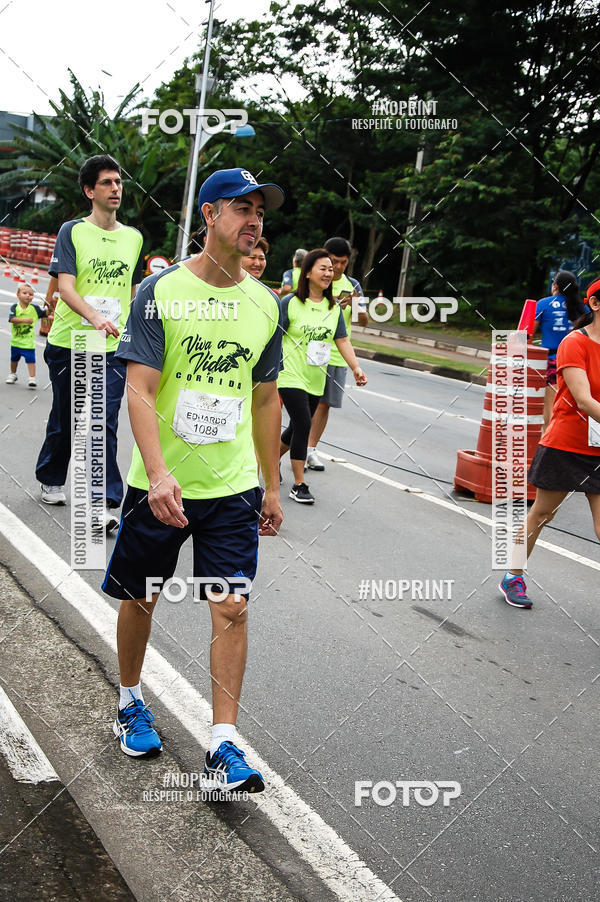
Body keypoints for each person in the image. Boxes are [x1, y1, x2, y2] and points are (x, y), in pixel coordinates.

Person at [103, 167, 284, 794]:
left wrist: (272, 483)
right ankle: (129, 699)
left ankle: (224, 745)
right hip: (160, 485)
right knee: (142, 596)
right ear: (208, 214)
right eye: (241, 207)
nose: (254, 219)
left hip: (231, 489)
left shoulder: (265, 305)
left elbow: (266, 399)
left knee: (231, 606)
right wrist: (156, 473)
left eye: (260, 209)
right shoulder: (159, 294)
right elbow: (141, 388)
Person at [34, 155, 143, 532]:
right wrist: (95, 317)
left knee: (101, 419)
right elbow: (64, 288)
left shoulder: (133, 237)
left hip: (112, 347)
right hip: (71, 340)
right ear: (89, 190)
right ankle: (50, 474)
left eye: (118, 182)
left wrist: (134, 332)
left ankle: (102, 504)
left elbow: (131, 291)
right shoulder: (72, 231)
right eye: (107, 183)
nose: (116, 188)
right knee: (67, 418)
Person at [499, 278, 600, 608]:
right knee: (542, 514)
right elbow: (583, 400)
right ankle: (513, 575)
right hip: (567, 445)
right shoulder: (576, 343)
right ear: (595, 305)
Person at [278, 248, 367, 503]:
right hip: (290, 375)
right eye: (323, 268)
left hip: (316, 376)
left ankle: (273, 457)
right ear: (307, 273)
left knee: (296, 426)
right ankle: (299, 484)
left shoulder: (333, 308)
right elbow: (275, 337)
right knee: (304, 424)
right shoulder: (290, 303)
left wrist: (356, 367)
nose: (329, 273)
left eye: (331, 269)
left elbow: (342, 339)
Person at [306, 236, 369, 470]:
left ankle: (310, 449)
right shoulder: (319, 279)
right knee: (305, 403)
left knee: (325, 404)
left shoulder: (353, 285)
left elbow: (363, 321)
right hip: (310, 350)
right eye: (334, 261)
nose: (339, 267)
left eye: (343, 262)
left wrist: (356, 304)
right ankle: (295, 446)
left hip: (336, 354)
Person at [534, 270, 586, 430]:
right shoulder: (583, 309)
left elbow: (527, 334)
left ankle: (549, 447)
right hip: (579, 363)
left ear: (555, 285)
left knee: (550, 410)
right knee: (575, 406)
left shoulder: (543, 304)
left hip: (552, 362)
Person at [6, 283, 47, 388]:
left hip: (28, 342)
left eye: (31, 294)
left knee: (31, 360)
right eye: (25, 293)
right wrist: (25, 320)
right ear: (18, 294)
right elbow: (12, 319)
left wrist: (49, 306)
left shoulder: (35, 308)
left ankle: (32, 378)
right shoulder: (15, 307)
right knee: (14, 359)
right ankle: (13, 373)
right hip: (16, 341)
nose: (28, 296)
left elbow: (46, 313)